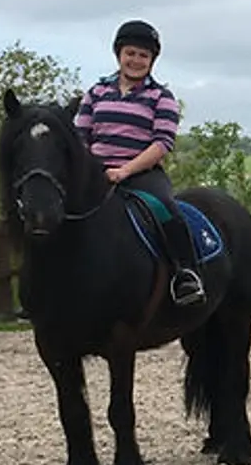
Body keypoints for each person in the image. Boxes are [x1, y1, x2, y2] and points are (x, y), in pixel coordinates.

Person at [74, 18, 204, 307]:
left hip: (141, 172)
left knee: (167, 209)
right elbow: (80, 136)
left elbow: (162, 143)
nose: (136, 60)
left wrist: (125, 170)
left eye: (143, 55)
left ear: (152, 60)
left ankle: (185, 273)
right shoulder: (96, 93)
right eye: (130, 53)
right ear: (119, 54)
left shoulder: (161, 97)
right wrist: (88, 169)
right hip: (95, 172)